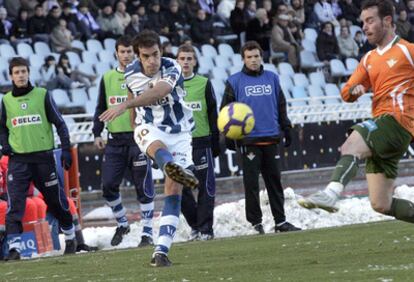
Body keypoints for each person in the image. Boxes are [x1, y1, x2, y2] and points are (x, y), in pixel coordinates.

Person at [297, 0, 414, 228]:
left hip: (398, 121)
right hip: (384, 124)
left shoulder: (407, 51)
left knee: (351, 145)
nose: (365, 27)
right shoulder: (368, 59)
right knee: (381, 203)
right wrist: (355, 90)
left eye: (370, 20)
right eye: (362, 22)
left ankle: (331, 193)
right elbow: (345, 92)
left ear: (387, 21)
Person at [99, 30, 198, 267]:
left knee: (173, 193)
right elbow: (134, 94)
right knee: (153, 142)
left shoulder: (172, 66)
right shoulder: (131, 73)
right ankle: (170, 166)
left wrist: (126, 105)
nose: (152, 60)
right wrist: (133, 121)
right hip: (149, 127)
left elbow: (160, 92)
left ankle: (161, 251)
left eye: (155, 54)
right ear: (138, 56)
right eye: (146, 56)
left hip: (180, 131)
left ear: (161, 52)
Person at [220, 41, 301, 235]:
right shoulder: (234, 81)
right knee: (252, 185)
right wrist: (228, 136)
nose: (253, 60)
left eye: (256, 56)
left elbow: (281, 105)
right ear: (243, 59)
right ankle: (255, 224)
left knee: (275, 183)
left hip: (271, 138)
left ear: (261, 57)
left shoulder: (272, 78)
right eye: (249, 57)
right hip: (249, 142)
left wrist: (286, 127)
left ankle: (280, 222)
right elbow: (226, 110)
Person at [0, 57, 76, 260]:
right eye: (16, 72)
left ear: (28, 73)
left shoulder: (42, 95)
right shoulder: (6, 100)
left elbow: (60, 123)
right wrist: (5, 145)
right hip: (18, 162)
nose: (20, 75)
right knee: (15, 205)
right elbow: (2, 128)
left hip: (43, 159)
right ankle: (14, 249)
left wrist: (66, 149)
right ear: (11, 75)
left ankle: (70, 238)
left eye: (23, 71)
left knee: (56, 202)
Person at [93, 36, 155, 248]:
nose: (126, 55)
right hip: (115, 142)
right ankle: (122, 222)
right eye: (123, 52)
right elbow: (101, 106)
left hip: (139, 139)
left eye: (130, 51)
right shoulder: (108, 77)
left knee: (143, 188)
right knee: (108, 186)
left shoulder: (143, 77)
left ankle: (147, 233)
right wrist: (97, 132)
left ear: (135, 53)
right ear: (116, 54)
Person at [176, 44, 220, 241]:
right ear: (177, 61)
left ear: (194, 61)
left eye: (189, 58)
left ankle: (206, 229)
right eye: (182, 58)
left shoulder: (204, 83)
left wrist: (216, 140)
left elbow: (213, 112)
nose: (185, 62)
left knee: (205, 187)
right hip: (178, 144)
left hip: (201, 142)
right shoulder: (168, 85)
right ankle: (195, 225)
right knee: (181, 187)